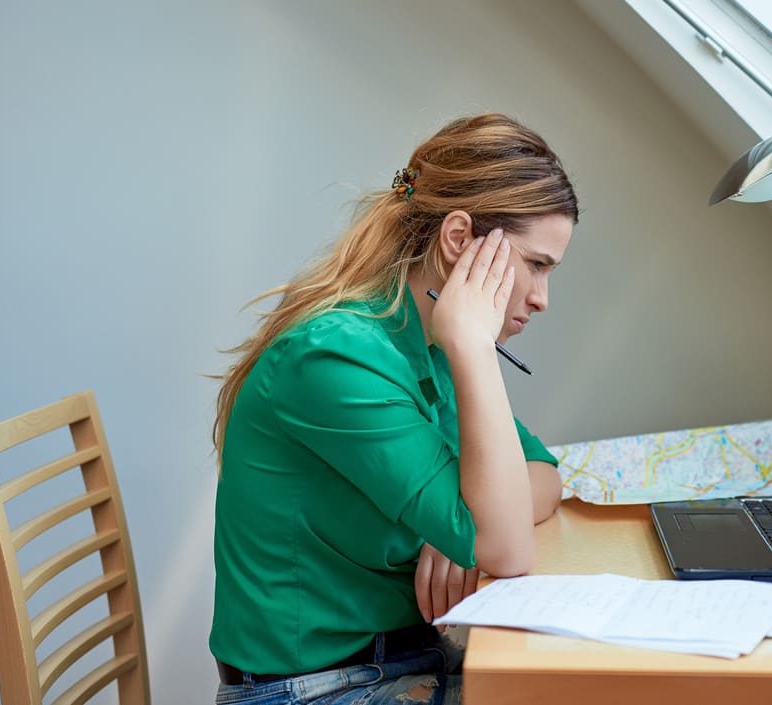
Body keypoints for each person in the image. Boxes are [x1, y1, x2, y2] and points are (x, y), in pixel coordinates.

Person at [209, 113, 579, 705]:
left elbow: (541, 473)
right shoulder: (336, 358)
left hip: (402, 660)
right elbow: (506, 548)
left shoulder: (424, 339)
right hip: (315, 689)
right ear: (459, 239)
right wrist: (475, 348)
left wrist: (453, 529)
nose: (541, 298)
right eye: (536, 265)